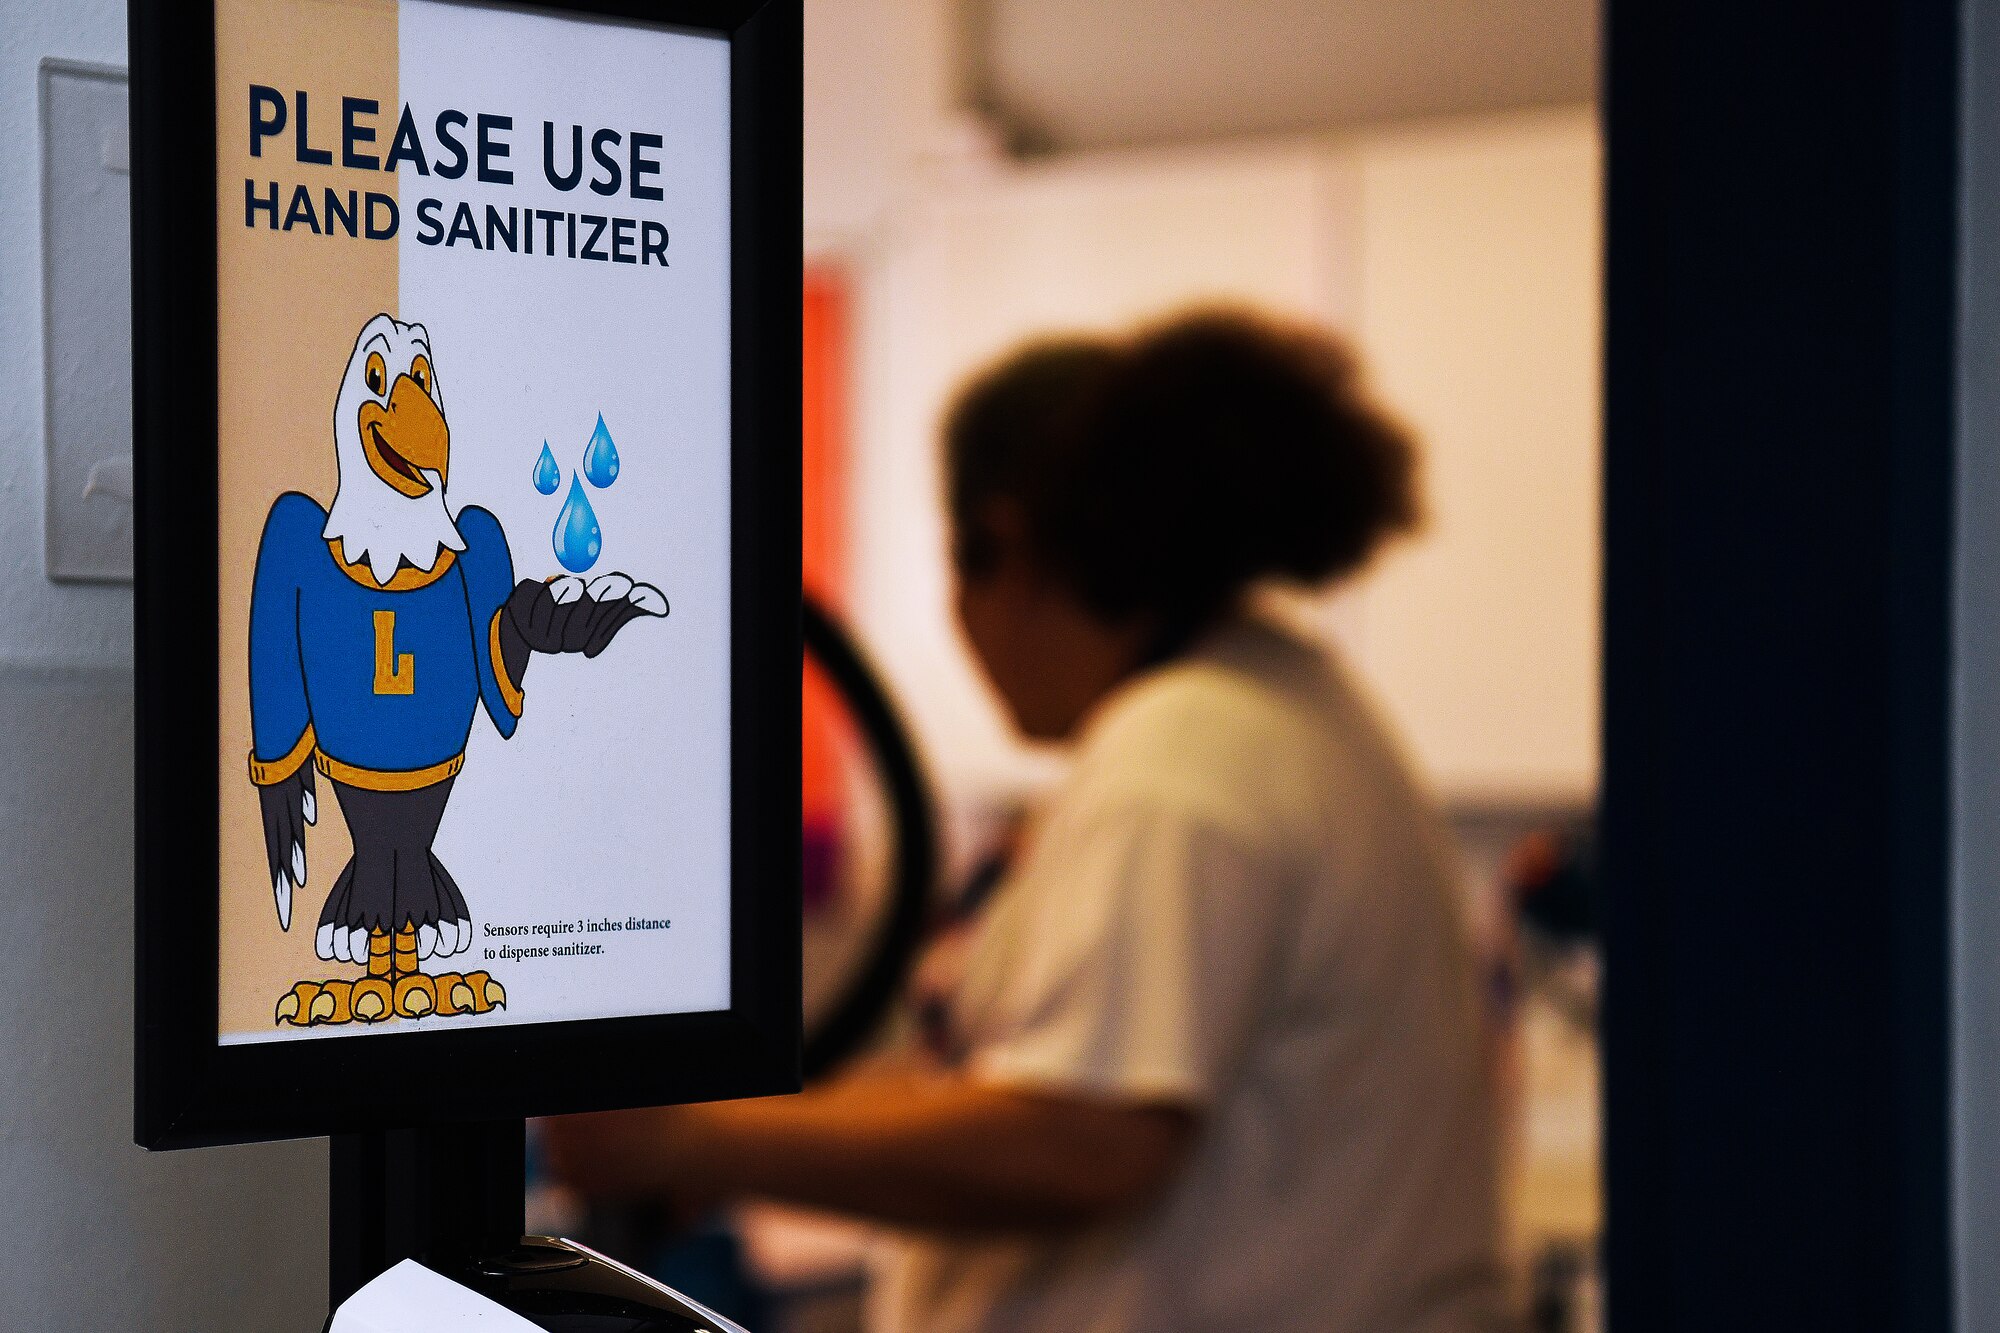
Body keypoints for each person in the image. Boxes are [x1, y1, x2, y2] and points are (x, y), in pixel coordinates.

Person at [543, 310, 1510, 1332]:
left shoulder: (1178, 761)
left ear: (1000, 544)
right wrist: (724, 1123)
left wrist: (686, 1145)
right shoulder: (1281, 705)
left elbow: (1084, 1140)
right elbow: (1006, 1082)